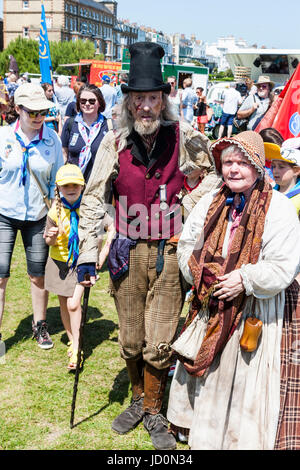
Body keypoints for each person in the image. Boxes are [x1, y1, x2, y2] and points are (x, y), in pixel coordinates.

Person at [76, 42, 220, 451]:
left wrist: (186, 206)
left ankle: (155, 408)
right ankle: (137, 397)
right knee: (130, 341)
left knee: (159, 342)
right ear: (128, 101)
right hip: (125, 251)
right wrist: (88, 252)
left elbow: (214, 176)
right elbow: (91, 197)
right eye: (138, 98)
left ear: (163, 99)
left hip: (170, 251)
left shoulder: (187, 138)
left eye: (152, 98)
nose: (145, 106)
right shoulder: (114, 142)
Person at [167, 130, 300, 450]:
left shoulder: (278, 208)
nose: (234, 169)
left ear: (257, 165)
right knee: (208, 381)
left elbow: (284, 265)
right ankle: (205, 436)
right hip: (210, 307)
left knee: (241, 385)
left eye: (242, 162)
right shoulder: (211, 203)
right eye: (228, 162)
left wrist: (244, 279)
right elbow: (186, 245)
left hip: (254, 312)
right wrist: (200, 272)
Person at [0, 83, 64, 346]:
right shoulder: (3, 137)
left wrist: (53, 216)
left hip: (39, 216)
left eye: (42, 112)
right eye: (33, 112)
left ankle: (40, 326)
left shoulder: (52, 139)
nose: (39, 118)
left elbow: (58, 182)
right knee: (0, 275)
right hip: (4, 213)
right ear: (18, 109)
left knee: (37, 274)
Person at [44, 164, 85, 370]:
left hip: (79, 263)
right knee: (63, 303)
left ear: (82, 186)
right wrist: (51, 237)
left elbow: (106, 226)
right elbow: (48, 241)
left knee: (74, 304)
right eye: (66, 185)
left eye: (75, 185)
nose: (70, 188)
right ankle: (72, 339)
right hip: (58, 263)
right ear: (59, 188)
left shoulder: (87, 208)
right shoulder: (54, 211)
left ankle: (77, 347)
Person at [61, 84, 111, 184]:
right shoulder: (70, 124)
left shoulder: (109, 126)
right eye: (83, 101)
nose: (87, 104)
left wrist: (122, 199)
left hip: (99, 187)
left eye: (92, 101)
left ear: (100, 102)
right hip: (73, 186)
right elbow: (64, 155)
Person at [264, 135, 300, 217]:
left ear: (296, 171)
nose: (275, 170)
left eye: (281, 167)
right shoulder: (269, 192)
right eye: (273, 166)